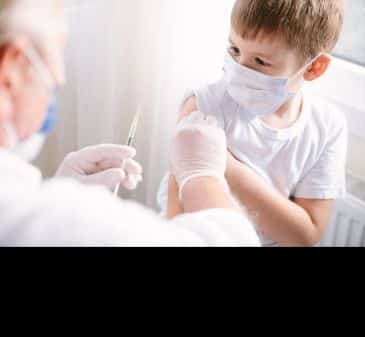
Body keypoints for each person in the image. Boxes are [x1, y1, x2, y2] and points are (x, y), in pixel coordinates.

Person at [0, 0, 260, 247]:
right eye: (58, 52)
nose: (59, 77)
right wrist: (203, 177)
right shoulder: (58, 222)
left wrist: (56, 192)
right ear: (13, 69)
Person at [159, 0, 348, 247]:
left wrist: (222, 163)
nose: (238, 69)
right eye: (234, 49)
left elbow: (305, 236)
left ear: (314, 67)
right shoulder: (204, 106)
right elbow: (180, 220)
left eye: (260, 61)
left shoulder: (327, 128)